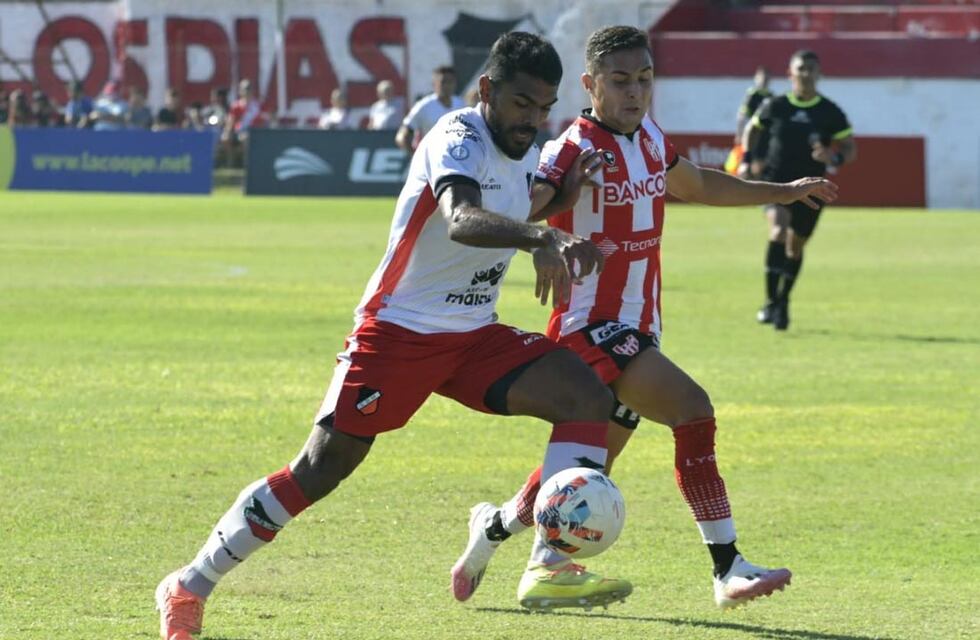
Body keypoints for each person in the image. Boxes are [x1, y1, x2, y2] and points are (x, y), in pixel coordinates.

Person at [155, 31, 627, 640]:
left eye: (543, 107)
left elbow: (512, 206)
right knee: (320, 469)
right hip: (399, 330)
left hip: (473, 336)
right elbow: (461, 219)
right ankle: (189, 584)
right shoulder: (456, 135)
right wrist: (543, 238)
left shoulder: (523, 151)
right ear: (487, 90)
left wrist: (558, 200)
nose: (533, 120)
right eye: (521, 104)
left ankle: (550, 563)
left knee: (586, 397)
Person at [450, 25, 838, 612]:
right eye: (620, 80)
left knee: (584, 472)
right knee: (693, 409)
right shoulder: (570, 150)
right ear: (590, 84)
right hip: (589, 327)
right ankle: (727, 567)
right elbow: (517, 211)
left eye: (645, 79)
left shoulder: (652, 137)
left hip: (641, 325)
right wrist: (543, 245)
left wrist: (781, 192)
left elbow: (700, 183)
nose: (635, 92)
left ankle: (493, 529)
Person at [740, 50, 856, 330]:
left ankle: (783, 301)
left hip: (812, 190)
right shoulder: (775, 105)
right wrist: (747, 160)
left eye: (811, 69)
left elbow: (850, 147)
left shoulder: (830, 112)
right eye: (800, 68)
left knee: (795, 247)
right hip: (775, 184)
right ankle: (769, 303)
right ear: (790, 74)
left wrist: (835, 157)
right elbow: (752, 130)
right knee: (778, 229)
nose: (805, 74)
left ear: (819, 74)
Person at [395, 65, 465, 152]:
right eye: (443, 82)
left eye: (450, 81)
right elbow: (402, 136)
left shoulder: (461, 104)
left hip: (457, 158)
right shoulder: (424, 106)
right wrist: (415, 156)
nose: (447, 85)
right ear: (434, 84)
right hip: (432, 157)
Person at [725, 66, 771, 174]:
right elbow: (742, 116)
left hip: (765, 137)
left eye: (767, 79)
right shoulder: (752, 94)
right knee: (746, 160)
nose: (764, 81)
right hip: (752, 134)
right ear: (756, 78)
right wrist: (739, 134)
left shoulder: (770, 96)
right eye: (762, 78)